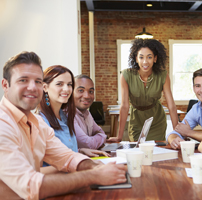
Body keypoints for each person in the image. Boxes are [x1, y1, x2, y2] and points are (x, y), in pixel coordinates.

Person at [0, 52, 126, 200]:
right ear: (5, 85)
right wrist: (94, 175)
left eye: (38, 81)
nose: (33, 87)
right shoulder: (4, 125)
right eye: (23, 80)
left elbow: (67, 157)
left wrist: (98, 167)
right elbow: (31, 185)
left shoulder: (37, 122)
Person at [107, 38, 178, 142]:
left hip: (157, 121)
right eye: (141, 57)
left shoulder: (163, 76)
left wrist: (177, 134)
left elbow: (171, 105)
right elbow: (124, 106)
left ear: (155, 59)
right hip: (137, 121)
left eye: (149, 57)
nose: (145, 61)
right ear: (136, 59)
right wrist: (119, 136)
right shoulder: (126, 75)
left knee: (157, 152)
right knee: (138, 152)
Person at [37, 65, 108, 158]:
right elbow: (40, 166)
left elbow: (63, 151)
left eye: (69, 84)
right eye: (59, 84)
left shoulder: (64, 116)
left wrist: (80, 151)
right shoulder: (41, 121)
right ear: (45, 87)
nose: (66, 89)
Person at [166, 68, 202, 150]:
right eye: (198, 86)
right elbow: (177, 131)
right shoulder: (197, 108)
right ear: (194, 88)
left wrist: (188, 133)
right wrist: (174, 140)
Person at [73, 74, 107, 149]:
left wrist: (98, 137)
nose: (87, 96)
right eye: (81, 90)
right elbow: (87, 144)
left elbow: (101, 132)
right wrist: (100, 137)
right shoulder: (68, 114)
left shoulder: (87, 113)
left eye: (91, 91)